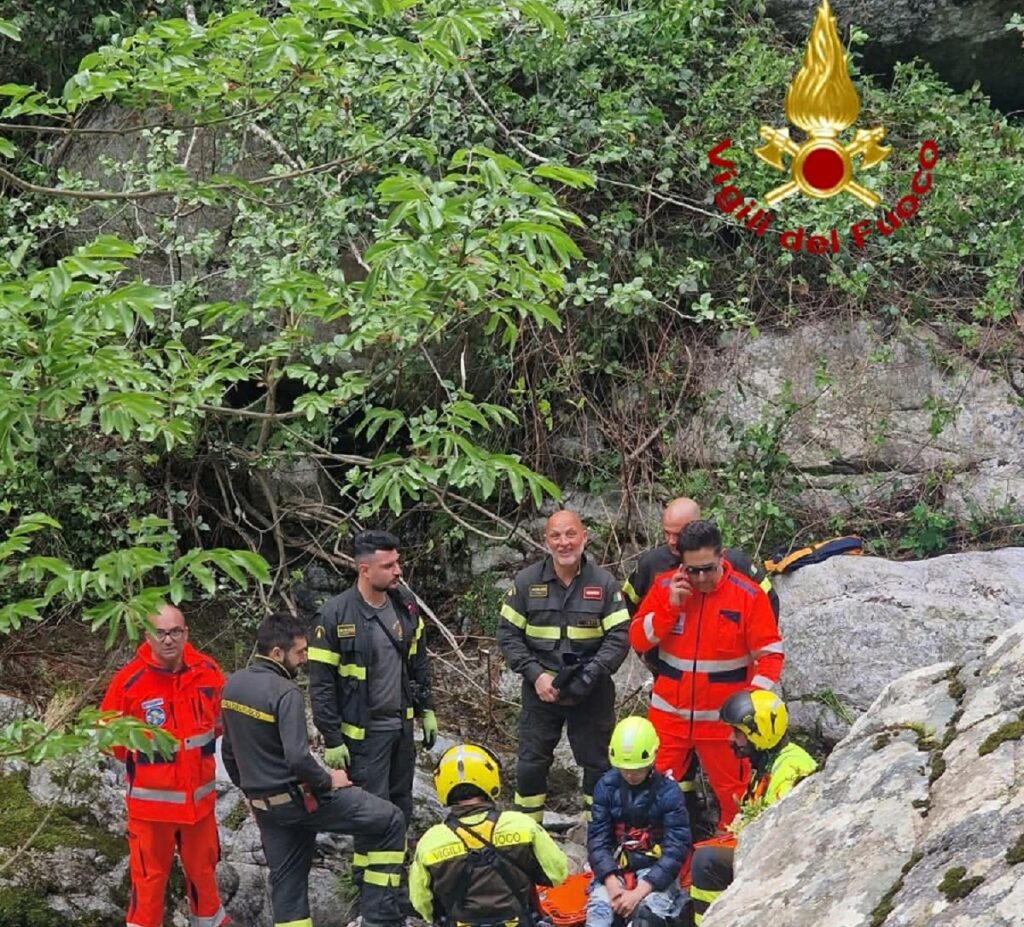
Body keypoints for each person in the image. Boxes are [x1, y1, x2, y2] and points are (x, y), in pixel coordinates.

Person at [221, 612, 406, 927]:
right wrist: (328, 781)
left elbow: (228, 752)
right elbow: (297, 758)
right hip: (302, 799)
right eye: (300, 652)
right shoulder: (284, 692)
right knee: (390, 820)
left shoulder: (233, 686)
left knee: (288, 884)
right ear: (277, 653)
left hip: (267, 808)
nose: (305, 659)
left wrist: (251, 795)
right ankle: (379, 918)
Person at [629, 520, 784, 829]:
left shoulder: (748, 596)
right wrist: (669, 609)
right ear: (680, 564)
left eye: (708, 569)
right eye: (692, 570)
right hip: (669, 719)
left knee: (735, 801)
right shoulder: (663, 588)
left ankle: (727, 869)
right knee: (652, 799)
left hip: (722, 725)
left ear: (722, 556)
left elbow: (770, 656)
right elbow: (637, 639)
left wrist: (750, 703)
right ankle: (666, 870)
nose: (700, 578)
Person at [99, 605, 229, 927]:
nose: (168, 640)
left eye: (175, 632)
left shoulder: (209, 672)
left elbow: (219, 725)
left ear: (186, 633)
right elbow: (109, 739)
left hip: (199, 807)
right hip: (150, 812)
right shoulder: (128, 682)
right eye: (161, 632)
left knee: (205, 879)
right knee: (148, 885)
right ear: (147, 635)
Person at [497, 510, 630, 821]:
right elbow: (507, 634)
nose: (564, 542)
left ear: (584, 537)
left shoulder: (605, 584)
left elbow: (620, 637)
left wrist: (591, 674)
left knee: (597, 762)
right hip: (541, 690)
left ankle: (594, 830)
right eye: (556, 536)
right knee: (531, 761)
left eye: (571, 534)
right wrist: (535, 674)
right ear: (546, 541)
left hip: (591, 691)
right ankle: (527, 831)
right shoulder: (527, 583)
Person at [308, 530, 436, 854]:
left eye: (398, 563)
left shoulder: (405, 605)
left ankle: (395, 879)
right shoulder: (335, 615)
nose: (398, 571)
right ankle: (369, 890)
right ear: (364, 570)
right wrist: (333, 739)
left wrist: (427, 709)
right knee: (372, 813)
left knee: (401, 807)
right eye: (388, 566)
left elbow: (417, 663)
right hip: (364, 736)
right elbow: (321, 685)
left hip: (401, 729)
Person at [689, 690, 817, 925]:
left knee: (706, 861)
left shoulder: (791, 768)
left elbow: (781, 833)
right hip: (761, 851)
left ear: (760, 734)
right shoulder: (771, 761)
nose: (731, 739)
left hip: (780, 859)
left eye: (738, 733)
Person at [410, 743, 568, 925]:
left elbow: (421, 903)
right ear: (491, 778)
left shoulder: (431, 841)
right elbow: (557, 874)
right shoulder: (521, 825)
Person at [587, 716, 691, 927]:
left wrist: (640, 891)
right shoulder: (606, 787)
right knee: (599, 912)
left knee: (649, 915)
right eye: (625, 769)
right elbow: (597, 840)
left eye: (636, 769)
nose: (630, 775)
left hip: (655, 869)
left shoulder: (668, 792)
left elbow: (676, 848)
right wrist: (612, 885)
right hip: (615, 867)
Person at [622, 497, 778, 619]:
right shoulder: (651, 563)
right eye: (666, 533)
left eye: (677, 534)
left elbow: (769, 601)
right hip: (665, 654)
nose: (671, 541)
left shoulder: (735, 562)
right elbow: (626, 606)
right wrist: (645, 651)